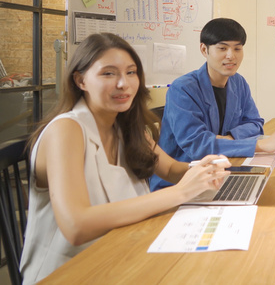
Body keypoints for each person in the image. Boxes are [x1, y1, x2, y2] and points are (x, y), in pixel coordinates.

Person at [19, 33, 230, 284]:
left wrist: (203, 169)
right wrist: (179, 193)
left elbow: (171, 168)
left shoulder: (127, 125)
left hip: (126, 256)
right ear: (81, 80)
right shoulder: (66, 130)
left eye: (131, 72)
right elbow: (76, 226)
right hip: (72, 271)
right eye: (109, 74)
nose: (124, 84)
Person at [150, 18, 275, 191]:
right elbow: (198, 146)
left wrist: (230, 137)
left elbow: (255, 124)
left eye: (237, 48)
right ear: (203, 49)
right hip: (180, 183)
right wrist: (258, 146)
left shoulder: (238, 82)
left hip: (221, 173)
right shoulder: (182, 89)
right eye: (222, 48)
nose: (231, 55)